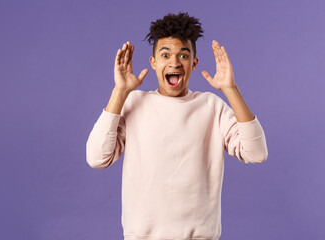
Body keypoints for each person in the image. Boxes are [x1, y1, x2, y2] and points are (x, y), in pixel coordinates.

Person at [86, 12, 268, 240]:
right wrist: (119, 92)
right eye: (165, 55)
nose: (174, 62)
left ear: (194, 63)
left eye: (183, 55)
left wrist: (230, 89)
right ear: (154, 63)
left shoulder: (211, 106)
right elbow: (97, 158)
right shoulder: (134, 103)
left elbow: (257, 153)